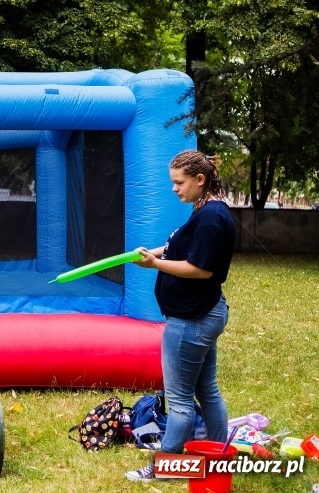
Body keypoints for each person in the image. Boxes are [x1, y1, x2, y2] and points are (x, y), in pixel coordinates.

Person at [126, 150, 236, 482]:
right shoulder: (205, 210)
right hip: (203, 314)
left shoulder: (211, 218)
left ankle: (165, 469)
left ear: (199, 180)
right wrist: (153, 253)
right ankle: (217, 457)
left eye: (179, 182)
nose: (174, 189)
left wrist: (155, 265)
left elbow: (200, 269)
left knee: (180, 403)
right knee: (208, 390)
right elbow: (180, 247)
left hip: (192, 321)